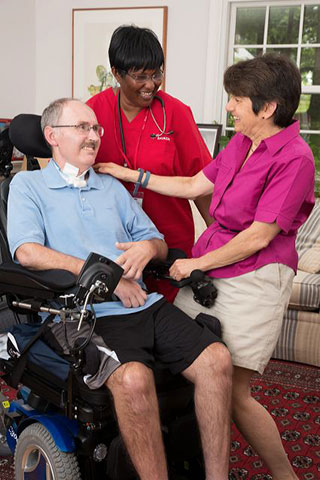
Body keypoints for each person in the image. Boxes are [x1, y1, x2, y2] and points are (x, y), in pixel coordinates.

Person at [95, 54, 315, 480]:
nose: (229, 108)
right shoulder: (242, 142)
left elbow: (259, 236)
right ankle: (183, 456)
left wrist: (195, 263)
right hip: (213, 270)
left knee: (233, 392)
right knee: (181, 365)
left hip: (256, 277)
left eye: (236, 99)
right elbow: (195, 184)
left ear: (267, 107)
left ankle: (287, 476)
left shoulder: (296, 158)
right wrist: (128, 173)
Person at [7, 98, 232, 480]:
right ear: (52, 136)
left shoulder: (111, 187)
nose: (94, 136)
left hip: (144, 303)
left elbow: (157, 241)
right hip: (80, 313)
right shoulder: (28, 186)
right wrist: (107, 276)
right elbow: (27, 252)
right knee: (133, 379)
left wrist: (149, 247)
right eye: (82, 128)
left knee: (217, 361)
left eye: (96, 129)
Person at [87, 25, 213, 302]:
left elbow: (203, 183)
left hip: (170, 250)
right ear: (117, 73)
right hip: (114, 248)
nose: (151, 84)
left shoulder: (176, 114)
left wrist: (219, 246)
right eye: (141, 76)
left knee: (170, 327)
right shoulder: (92, 112)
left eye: (156, 74)